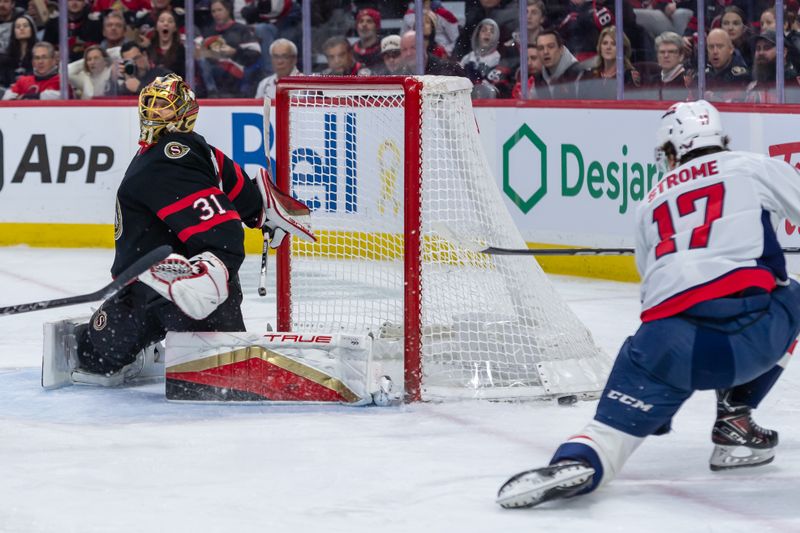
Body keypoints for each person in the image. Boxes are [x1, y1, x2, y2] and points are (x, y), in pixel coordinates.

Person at [496, 99, 800, 509]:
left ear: (672, 150)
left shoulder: (650, 200)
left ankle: (578, 458)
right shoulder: (751, 166)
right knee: (793, 294)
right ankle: (735, 420)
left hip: (660, 344)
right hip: (742, 340)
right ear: (720, 139)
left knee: (606, 436)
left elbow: (653, 286)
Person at [41, 73, 314, 390]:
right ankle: (186, 346)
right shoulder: (199, 149)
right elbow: (236, 183)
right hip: (181, 292)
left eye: (165, 107)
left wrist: (218, 262)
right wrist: (258, 213)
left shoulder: (166, 157)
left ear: (185, 113)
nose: (155, 113)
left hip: (179, 292)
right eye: (152, 105)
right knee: (213, 379)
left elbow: (217, 223)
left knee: (95, 355)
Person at [578, 26, 640, 99]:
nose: (608, 47)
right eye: (605, 43)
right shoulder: (588, 75)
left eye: (613, 44)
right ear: (600, 47)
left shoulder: (629, 76)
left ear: (623, 49)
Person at [532, 29, 585, 99]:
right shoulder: (538, 78)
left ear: (561, 49)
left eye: (550, 46)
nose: (545, 52)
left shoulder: (580, 75)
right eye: (541, 48)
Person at [704, 28, 749, 102]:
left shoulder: (740, 77)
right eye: (711, 47)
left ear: (731, 49)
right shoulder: (701, 76)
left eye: (720, 46)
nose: (715, 52)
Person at [400, 30, 466, 77]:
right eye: (404, 49)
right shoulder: (401, 74)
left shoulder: (447, 70)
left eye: (413, 48)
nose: (408, 53)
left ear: (424, 47)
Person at [0, 14, 37, 89]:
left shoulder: (38, 52)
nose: (21, 28)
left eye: (25, 26)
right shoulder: (5, 56)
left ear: (32, 29)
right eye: (18, 27)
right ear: (13, 31)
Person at [148, 9, 186, 78]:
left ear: (175, 28)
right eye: (162, 21)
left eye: (170, 21)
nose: (165, 24)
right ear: (156, 27)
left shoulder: (181, 51)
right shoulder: (149, 49)